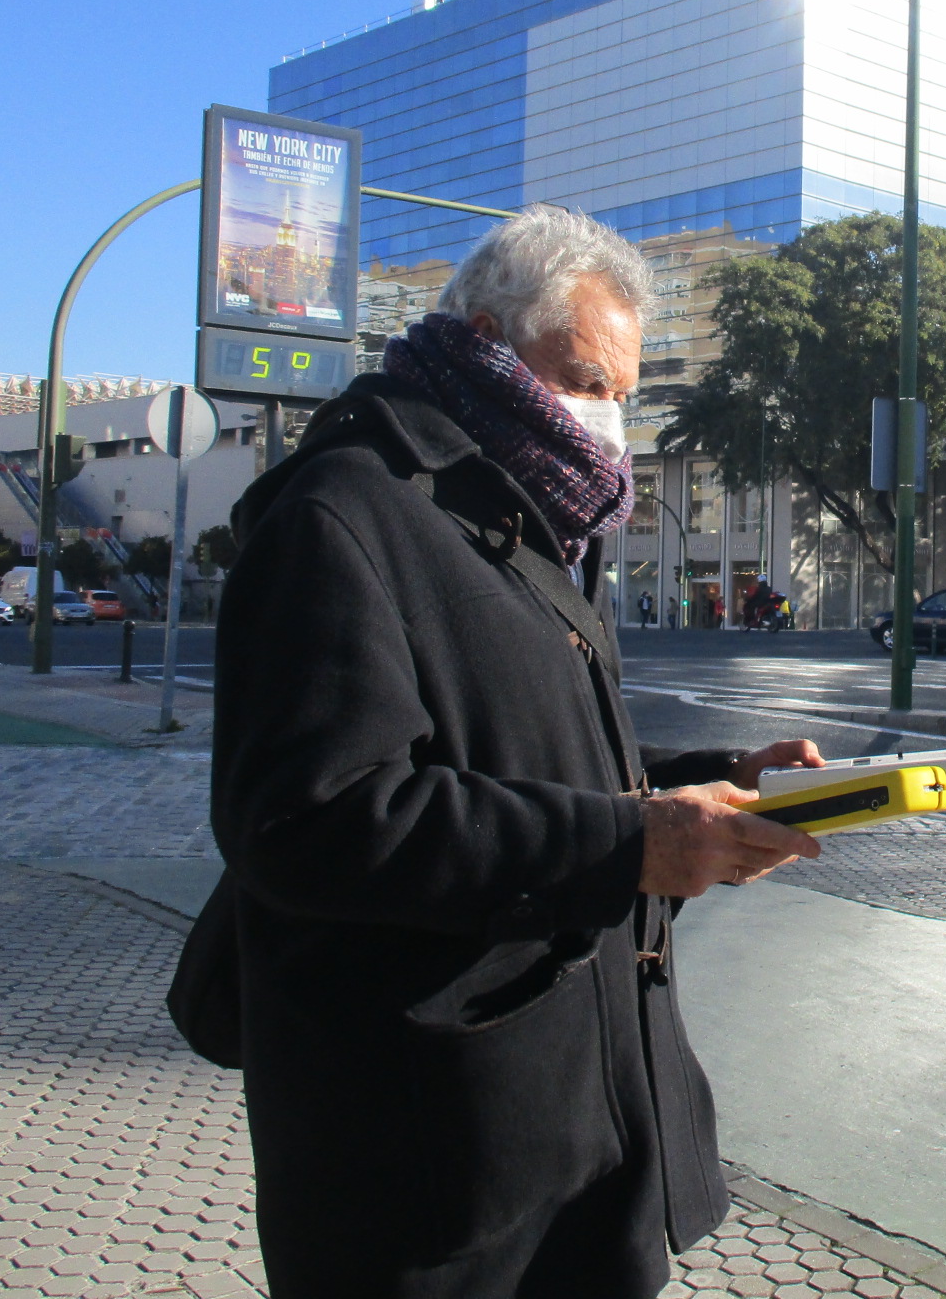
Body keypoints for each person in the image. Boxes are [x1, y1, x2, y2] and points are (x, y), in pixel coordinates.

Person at [210, 204, 824, 1299]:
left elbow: (528, 756)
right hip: (430, 1173)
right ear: (486, 338)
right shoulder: (344, 511)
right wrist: (630, 843)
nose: (606, 427)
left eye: (623, 399)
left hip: (574, 1134)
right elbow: (308, 820)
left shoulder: (530, 517)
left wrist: (704, 785)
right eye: (585, 383)